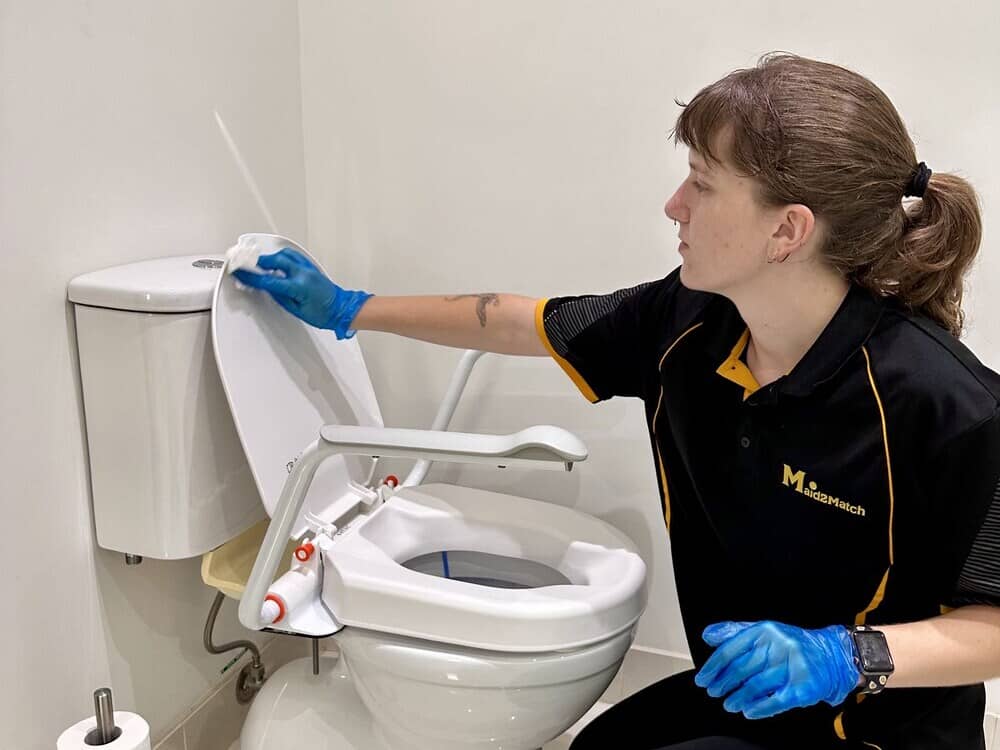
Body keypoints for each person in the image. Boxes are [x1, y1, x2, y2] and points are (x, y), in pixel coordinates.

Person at [232, 53, 1000, 750]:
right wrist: (347, 307)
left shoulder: (947, 404)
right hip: (742, 698)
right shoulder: (687, 324)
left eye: (702, 182)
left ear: (787, 230)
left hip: (877, 731)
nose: (674, 204)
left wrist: (844, 656)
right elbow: (518, 320)